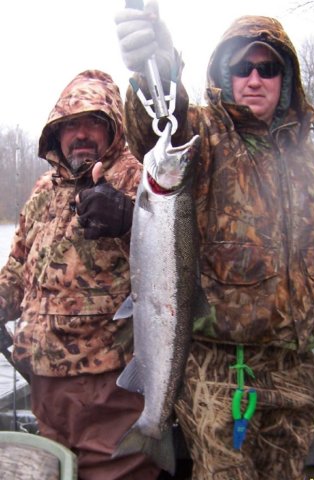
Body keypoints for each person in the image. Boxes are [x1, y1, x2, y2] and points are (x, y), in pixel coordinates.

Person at [114, 4, 314, 479]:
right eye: (241, 67)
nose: (253, 78)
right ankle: (153, 428)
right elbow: (157, 126)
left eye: (267, 68)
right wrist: (156, 69)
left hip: (295, 370)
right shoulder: (204, 135)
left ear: (284, 79)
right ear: (226, 74)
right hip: (221, 375)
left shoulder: (310, 161)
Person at [0, 69, 161, 480]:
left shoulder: (138, 178)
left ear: (113, 128)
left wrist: (130, 221)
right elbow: (18, 268)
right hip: (44, 385)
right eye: (71, 124)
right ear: (57, 133)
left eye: (94, 122)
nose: (82, 133)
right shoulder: (44, 190)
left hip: (109, 388)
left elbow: (171, 264)